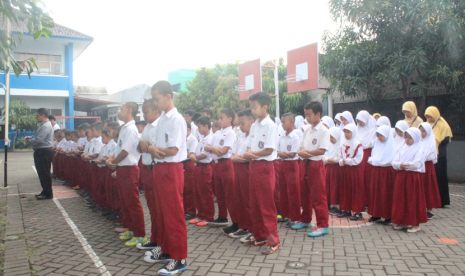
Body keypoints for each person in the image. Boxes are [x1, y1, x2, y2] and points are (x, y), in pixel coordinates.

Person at [145, 80, 188, 274]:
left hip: (171, 169)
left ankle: (179, 258)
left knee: (173, 215)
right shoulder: (162, 119)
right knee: (162, 213)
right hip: (160, 169)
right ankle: (166, 249)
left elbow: (172, 150)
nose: (155, 103)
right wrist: (152, 149)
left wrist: (153, 149)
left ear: (168, 96)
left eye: (157, 99)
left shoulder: (176, 119)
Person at [243, 91, 280, 255]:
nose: (252, 110)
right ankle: (259, 236)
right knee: (255, 203)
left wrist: (253, 154)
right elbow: (250, 144)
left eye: (255, 107)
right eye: (251, 107)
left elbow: (269, 149)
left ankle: (273, 240)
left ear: (265, 107)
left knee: (266, 205)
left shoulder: (271, 125)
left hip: (265, 167)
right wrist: (250, 152)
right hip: (253, 166)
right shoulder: (255, 124)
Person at [106, 102, 146, 247]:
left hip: (129, 169)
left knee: (132, 202)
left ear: (129, 110)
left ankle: (140, 234)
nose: (119, 112)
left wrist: (114, 162)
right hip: (123, 169)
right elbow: (120, 149)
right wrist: (113, 160)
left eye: (121, 109)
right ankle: (130, 229)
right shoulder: (125, 128)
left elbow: (125, 152)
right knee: (125, 202)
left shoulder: (131, 129)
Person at [295, 101, 330, 237]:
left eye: (309, 115)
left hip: (316, 164)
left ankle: (323, 225)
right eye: (306, 115)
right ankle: (305, 219)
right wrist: (301, 152)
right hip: (304, 163)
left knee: (318, 196)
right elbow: (301, 146)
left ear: (318, 114)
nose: (307, 118)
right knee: (304, 193)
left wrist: (306, 153)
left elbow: (322, 150)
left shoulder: (323, 130)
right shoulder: (307, 130)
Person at [204, 108, 237, 230]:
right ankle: (222, 217)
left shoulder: (230, 133)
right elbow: (206, 147)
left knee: (229, 194)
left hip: (226, 164)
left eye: (222, 117)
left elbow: (222, 152)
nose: (220, 120)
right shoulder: (217, 133)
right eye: (219, 117)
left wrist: (212, 148)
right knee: (219, 193)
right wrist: (212, 148)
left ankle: (236, 221)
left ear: (230, 119)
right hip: (216, 165)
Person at [136, 99, 161, 251]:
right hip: (147, 168)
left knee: (158, 208)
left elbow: (159, 150)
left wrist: (147, 145)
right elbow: (140, 147)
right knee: (152, 207)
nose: (144, 115)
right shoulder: (147, 127)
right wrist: (142, 144)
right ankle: (154, 238)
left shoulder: (160, 126)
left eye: (146, 112)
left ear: (156, 111)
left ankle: (159, 241)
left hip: (155, 168)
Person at [391, 128, 427, 233]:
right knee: (401, 199)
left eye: (410, 137)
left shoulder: (419, 150)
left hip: (412, 178)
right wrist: (400, 165)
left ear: (415, 138)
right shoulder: (403, 149)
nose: (407, 140)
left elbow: (417, 164)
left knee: (412, 200)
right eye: (405, 137)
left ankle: (415, 224)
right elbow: (394, 161)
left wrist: (403, 165)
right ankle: (403, 221)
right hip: (402, 177)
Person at [230, 110, 255, 240]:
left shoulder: (254, 137)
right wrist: (236, 158)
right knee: (239, 198)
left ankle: (251, 228)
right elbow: (233, 155)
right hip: (238, 168)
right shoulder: (240, 136)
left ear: (252, 122)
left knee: (248, 200)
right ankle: (243, 226)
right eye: (239, 123)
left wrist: (239, 158)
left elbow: (248, 156)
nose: (240, 126)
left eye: (243, 123)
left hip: (247, 169)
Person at [188, 116, 215, 227]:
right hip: (198, 166)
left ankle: (209, 216)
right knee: (198, 192)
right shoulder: (203, 138)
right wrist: (194, 156)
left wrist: (194, 157)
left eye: (200, 127)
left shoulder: (210, 139)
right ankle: (201, 214)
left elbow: (204, 155)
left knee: (205, 193)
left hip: (204, 167)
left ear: (206, 126)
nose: (198, 129)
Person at [367, 125, 397, 225]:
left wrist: (377, 160)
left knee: (385, 193)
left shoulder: (391, 146)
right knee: (376, 193)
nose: (379, 137)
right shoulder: (377, 144)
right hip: (376, 171)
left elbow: (390, 159)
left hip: (386, 172)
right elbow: (374, 155)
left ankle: (388, 216)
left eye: (381, 135)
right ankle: (376, 214)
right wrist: (374, 160)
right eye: (378, 135)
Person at [424, 106, 453, 208]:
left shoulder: (443, 125)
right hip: (431, 155)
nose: (429, 119)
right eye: (427, 117)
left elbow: (446, 139)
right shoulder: (428, 125)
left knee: (441, 178)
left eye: (431, 117)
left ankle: (442, 200)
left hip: (440, 155)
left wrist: (436, 141)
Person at [277, 113, 301, 228]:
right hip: (282, 164)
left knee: (293, 191)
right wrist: (281, 154)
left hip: (291, 165)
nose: (282, 124)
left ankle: (295, 217)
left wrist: (282, 154)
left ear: (291, 122)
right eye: (281, 122)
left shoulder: (295, 137)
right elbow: (276, 151)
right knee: (283, 190)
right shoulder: (281, 136)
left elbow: (292, 154)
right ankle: (285, 214)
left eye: (284, 122)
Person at [337, 123, 365, 220]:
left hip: (354, 169)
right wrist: (341, 161)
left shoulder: (357, 144)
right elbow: (340, 154)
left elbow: (359, 158)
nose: (346, 134)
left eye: (348, 132)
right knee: (346, 189)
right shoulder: (344, 143)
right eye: (345, 132)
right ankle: (346, 209)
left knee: (355, 190)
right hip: (346, 169)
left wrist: (349, 161)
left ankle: (357, 211)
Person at [25, 108, 54, 200]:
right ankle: (45, 191)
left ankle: (48, 193)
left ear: (43, 115)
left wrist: (30, 141)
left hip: (43, 151)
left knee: (44, 172)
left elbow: (40, 140)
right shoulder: (43, 125)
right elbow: (38, 137)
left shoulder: (45, 126)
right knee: (41, 172)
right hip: (41, 151)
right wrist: (30, 138)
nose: (36, 117)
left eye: (37, 116)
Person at [419, 122, 442, 218]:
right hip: (419, 167)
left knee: (428, 187)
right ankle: (421, 207)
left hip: (427, 167)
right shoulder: (417, 141)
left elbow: (431, 155)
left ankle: (429, 208)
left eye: (424, 131)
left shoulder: (431, 142)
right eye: (420, 131)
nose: (421, 133)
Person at [356, 111, 377, 207]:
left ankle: (368, 200)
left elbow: (372, 144)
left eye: (361, 121)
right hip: (359, 155)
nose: (360, 123)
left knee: (367, 178)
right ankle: (361, 200)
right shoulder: (357, 130)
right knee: (360, 178)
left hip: (368, 155)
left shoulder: (373, 130)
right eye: (358, 121)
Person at [325, 127, 342, 216]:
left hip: (336, 168)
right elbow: (324, 155)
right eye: (330, 137)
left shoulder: (340, 145)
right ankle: (330, 203)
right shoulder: (328, 145)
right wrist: (328, 159)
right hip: (329, 167)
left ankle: (337, 206)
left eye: (332, 137)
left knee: (335, 186)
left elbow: (340, 156)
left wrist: (333, 160)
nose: (331, 140)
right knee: (328, 186)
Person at [183, 121, 198, 220]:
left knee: (189, 188)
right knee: (183, 188)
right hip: (181, 164)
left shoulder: (193, 139)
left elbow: (191, 153)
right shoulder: (181, 139)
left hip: (189, 164)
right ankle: (184, 209)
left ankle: (191, 211)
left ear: (188, 129)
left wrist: (179, 154)